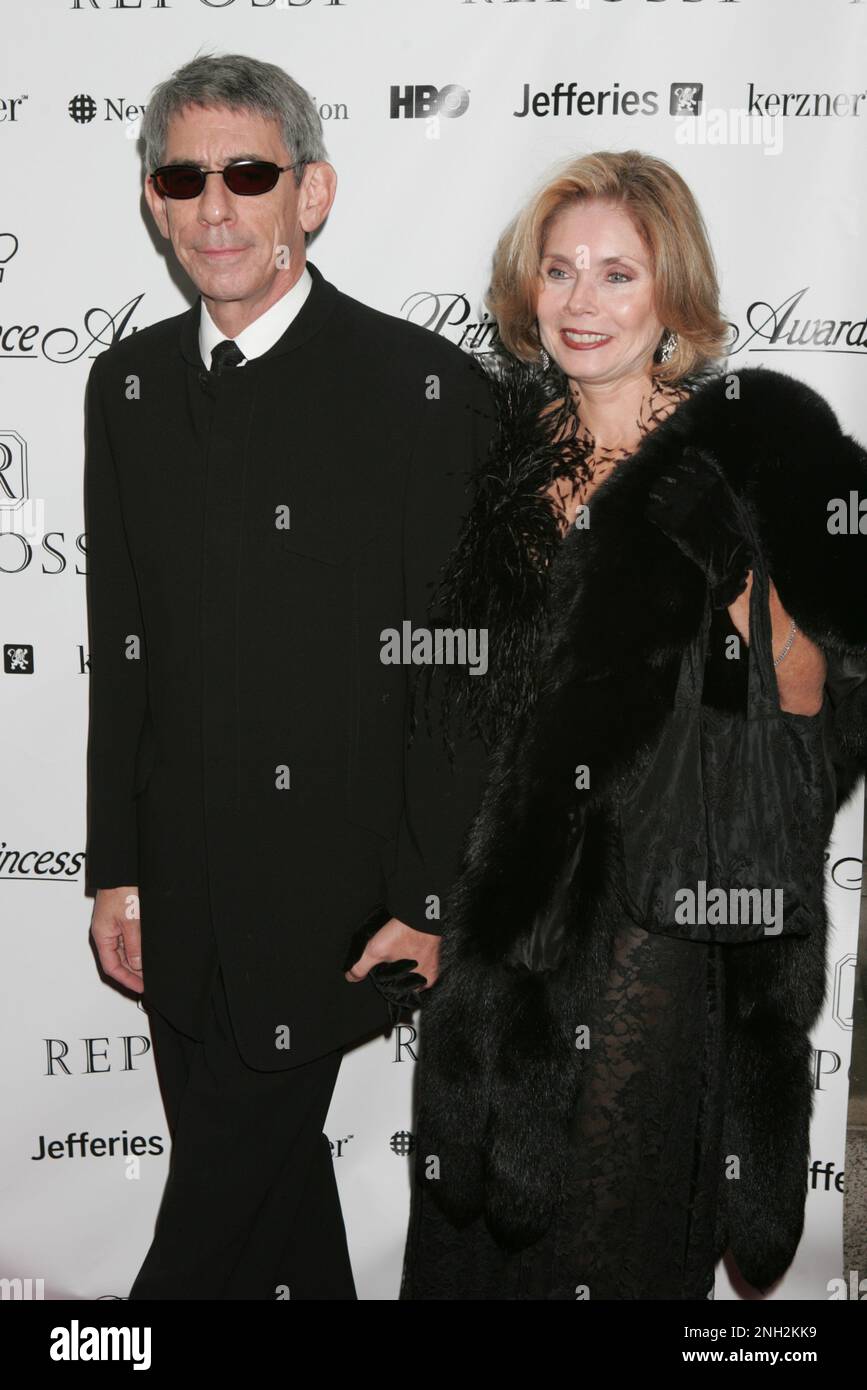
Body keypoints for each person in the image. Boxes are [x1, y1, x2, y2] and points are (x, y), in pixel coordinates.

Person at [401, 150, 867, 1300]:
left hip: (664, 924)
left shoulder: (761, 444)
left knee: (611, 1243)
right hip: (506, 929)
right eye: (559, 272)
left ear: (673, 293)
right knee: (476, 1260)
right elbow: (450, 714)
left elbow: (832, 686)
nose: (582, 302)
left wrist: (742, 595)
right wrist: (423, 903)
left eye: (618, 273)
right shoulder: (495, 459)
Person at [83, 52, 495, 1300]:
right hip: (179, 894)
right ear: (154, 199)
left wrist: (432, 894)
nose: (215, 206)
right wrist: (117, 866)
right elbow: (123, 647)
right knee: (270, 1209)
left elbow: (456, 667)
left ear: (311, 192)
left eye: (249, 173)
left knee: (201, 1241)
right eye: (184, 175)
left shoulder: (423, 392)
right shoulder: (130, 384)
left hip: (333, 907)